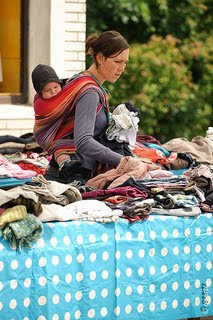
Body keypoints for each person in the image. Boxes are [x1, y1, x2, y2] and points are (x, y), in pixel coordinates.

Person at [33, 30, 131, 184]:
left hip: (72, 172)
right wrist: (123, 161)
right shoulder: (89, 92)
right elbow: (83, 141)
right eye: (118, 62)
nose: (122, 68)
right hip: (73, 175)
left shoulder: (81, 80)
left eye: (125, 62)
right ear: (100, 58)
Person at [32, 64, 72, 171]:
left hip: (65, 130)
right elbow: (44, 114)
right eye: (47, 90)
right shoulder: (40, 103)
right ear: (40, 93)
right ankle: (65, 164)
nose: (53, 92)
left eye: (55, 87)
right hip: (47, 133)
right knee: (59, 147)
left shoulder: (68, 92)